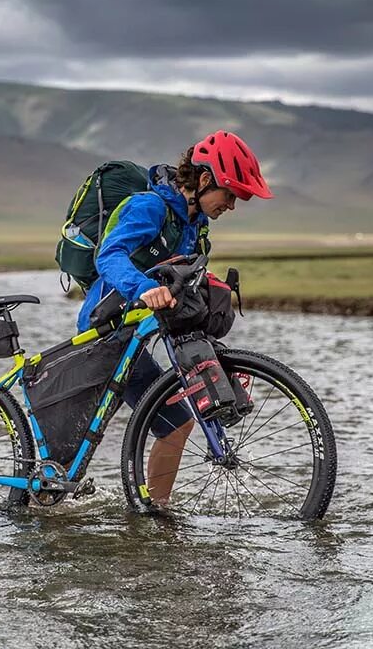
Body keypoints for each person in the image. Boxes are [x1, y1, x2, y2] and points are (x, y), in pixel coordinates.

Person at [75, 130, 272, 505]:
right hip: (105, 329)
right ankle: (142, 510)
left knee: (174, 423)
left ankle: (156, 513)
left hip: (135, 333)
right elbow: (109, 255)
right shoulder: (149, 207)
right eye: (229, 194)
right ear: (203, 180)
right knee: (77, 435)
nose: (232, 204)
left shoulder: (194, 225)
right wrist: (142, 288)